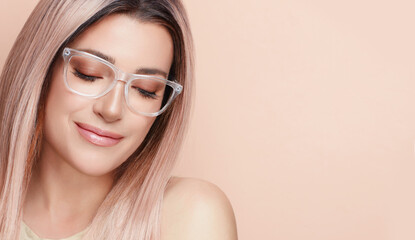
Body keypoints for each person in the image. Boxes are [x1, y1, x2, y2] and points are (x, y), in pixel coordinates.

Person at [0, 0, 238, 239]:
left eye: (145, 90)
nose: (112, 109)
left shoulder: (191, 215)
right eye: (88, 74)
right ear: (40, 71)